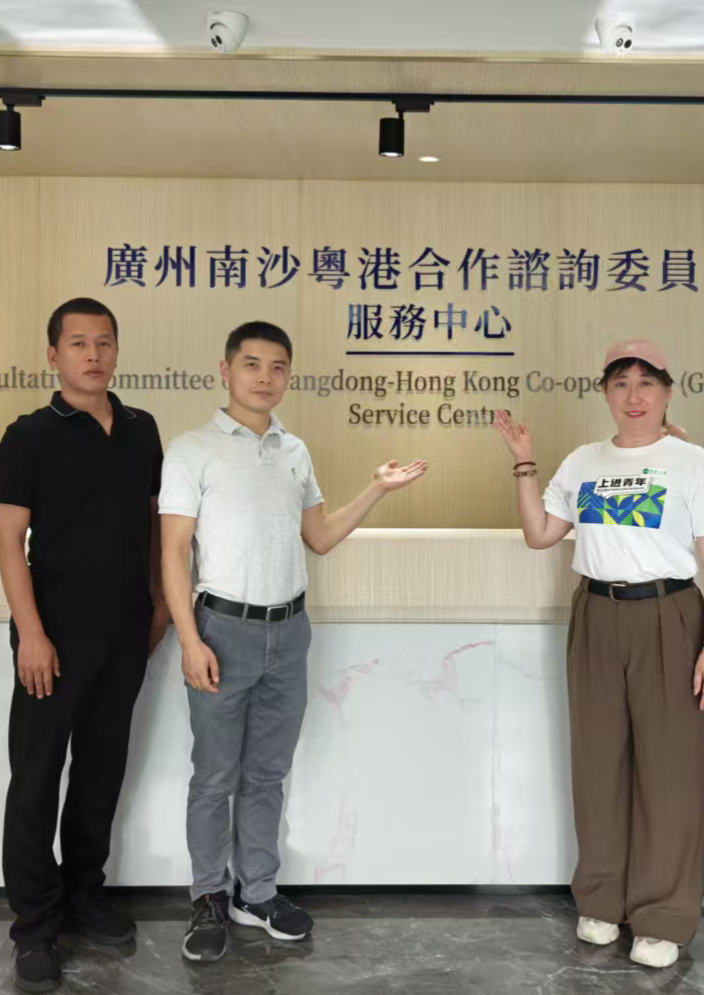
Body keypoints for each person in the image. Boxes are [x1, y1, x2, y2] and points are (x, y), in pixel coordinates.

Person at [159, 320, 427, 964]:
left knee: (266, 774)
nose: (265, 377)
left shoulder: (294, 450)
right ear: (225, 370)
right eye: (252, 364)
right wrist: (190, 640)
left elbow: (321, 536)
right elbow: (172, 552)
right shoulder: (191, 450)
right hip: (221, 630)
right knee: (215, 776)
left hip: (290, 631)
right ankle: (207, 897)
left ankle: (256, 893)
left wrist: (377, 488)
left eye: (278, 367)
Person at [493, 339, 704, 969]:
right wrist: (524, 463)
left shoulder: (693, 464)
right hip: (597, 613)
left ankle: (663, 915)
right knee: (598, 765)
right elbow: (540, 534)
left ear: (667, 392)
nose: (634, 396)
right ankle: (601, 900)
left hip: (669, 613)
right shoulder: (583, 461)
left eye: (646, 383)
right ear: (605, 392)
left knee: (671, 772)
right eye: (621, 383)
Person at [0, 298, 170, 993]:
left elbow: (153, 525)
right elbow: (9, 541)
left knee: (101, 770)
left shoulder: (142, 428)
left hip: (125, 628)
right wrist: (31, 634)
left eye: (104, 343)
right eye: (78, 343)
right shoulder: (27, 435)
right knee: (37, 778)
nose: (93, 355)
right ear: (53, 356)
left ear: (116, 352)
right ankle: (34, 925)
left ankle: (84, 895)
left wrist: (158, 603)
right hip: (54, 634)